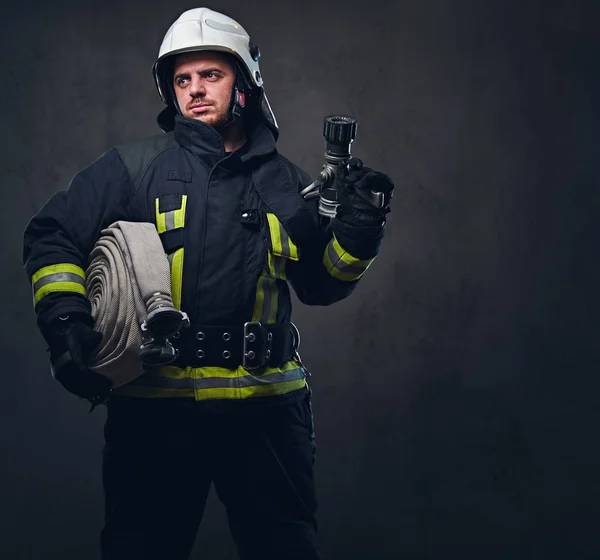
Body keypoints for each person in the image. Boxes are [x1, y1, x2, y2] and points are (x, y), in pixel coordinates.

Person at [22, 7, 394, 560]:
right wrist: (66, 321)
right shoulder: (132, 168)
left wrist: (360, 232)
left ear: (244, 83)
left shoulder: (287, 183)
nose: (195, 90)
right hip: (156, 415)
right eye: (182, 79)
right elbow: (52, 234)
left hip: (269, 417)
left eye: (211, 75)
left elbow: (322, 282)